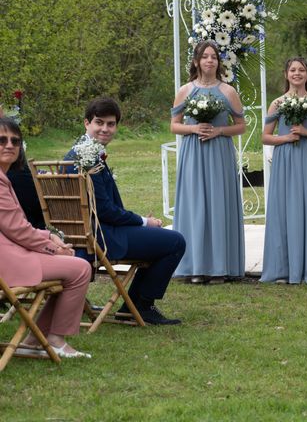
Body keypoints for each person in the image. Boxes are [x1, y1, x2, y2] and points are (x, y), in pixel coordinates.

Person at [65, 97, 185, 325]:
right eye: (99, 122)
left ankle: (134, 306)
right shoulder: (87, 159)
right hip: (102, 236)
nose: (105, 129)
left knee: (164, 239)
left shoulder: (79, 153)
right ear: (86, 123)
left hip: (86, 232)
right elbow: (105, 211)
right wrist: (142, 222)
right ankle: (141, 306)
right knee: (175, 242)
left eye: (111, 124)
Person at [0, 117, 92, 358]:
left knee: (72, 266)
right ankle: (55, 339)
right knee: (80, 268)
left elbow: (14, 226)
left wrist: (50, 238)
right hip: (6, 263)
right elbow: (17, 230)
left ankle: (34, 338)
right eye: (2, 140)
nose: (9, 145)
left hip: (10, 253)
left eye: (15, 141)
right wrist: (52, 248)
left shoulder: (4, 177)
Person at [170, 40, 246, 284]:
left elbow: (241, 126)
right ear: (196, 61)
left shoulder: (228, 91)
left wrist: (219, 131)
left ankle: (219, 267)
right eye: (205, 56)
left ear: (218, 62)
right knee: (196, 206)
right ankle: (194, 266)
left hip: (219, 153)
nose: (210, 60)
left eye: (214, 56)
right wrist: (193, 129)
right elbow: (174, 125)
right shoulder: (185, 90)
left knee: (218, 204)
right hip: (194, 152)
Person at [260, 57, 307, 284]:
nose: (297, 74)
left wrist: (306, 133)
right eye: (293, 70)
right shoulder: (278, 103)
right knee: (284, 208)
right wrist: (286, 137)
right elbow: (265, 136)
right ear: (286, 74)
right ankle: (283, 267)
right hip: (285, 160)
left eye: (301, 70)